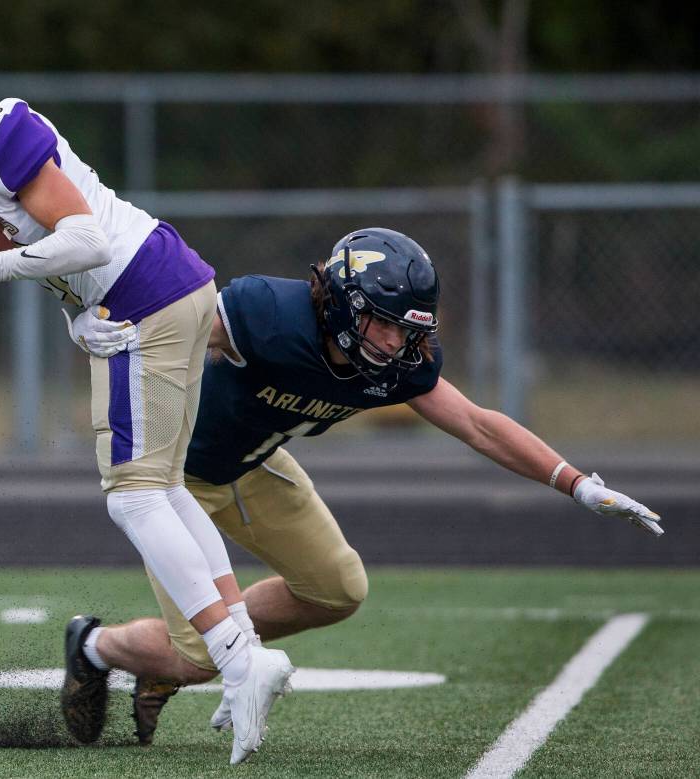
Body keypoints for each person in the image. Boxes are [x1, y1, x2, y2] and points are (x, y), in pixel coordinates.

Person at [0, 27, 293, 765]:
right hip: (158, 289)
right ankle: (241, 648)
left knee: (134, 496)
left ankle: (242, 661)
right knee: (164, 488)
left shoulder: (2, 131)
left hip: (140, 291)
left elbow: (84, 240)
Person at [63, 226, 663, 746]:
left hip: (254, 463)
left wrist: (577, 484)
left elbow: (479, 426)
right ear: (344, 305)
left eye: (406, 330)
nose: (394, 344)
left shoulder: (402, 360)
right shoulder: (265, 315)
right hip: (175, 477)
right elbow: (173, 324)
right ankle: (95, 648)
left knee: (337, 589)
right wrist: (109, 328)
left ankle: (208, 635)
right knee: (197, 657)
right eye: (382, 324)